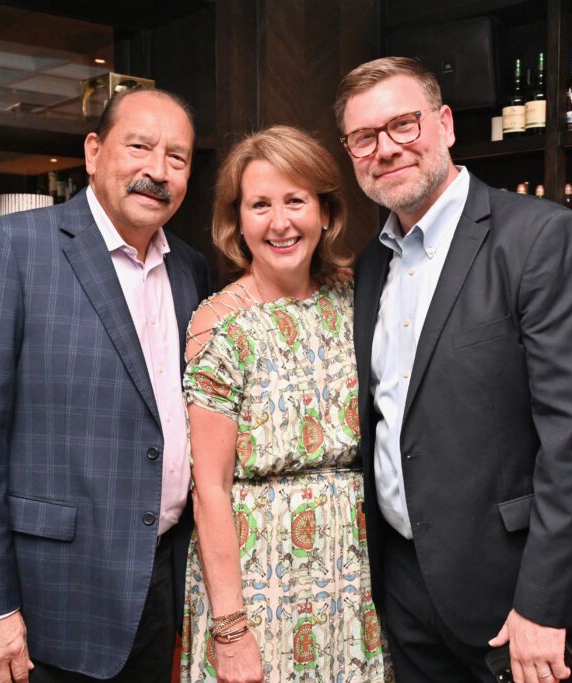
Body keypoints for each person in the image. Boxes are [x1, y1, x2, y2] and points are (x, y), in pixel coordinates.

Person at [333, 57, 572, 683]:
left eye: (403, 125)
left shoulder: (542, 239)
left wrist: (544, 606)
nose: (386, 149)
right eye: (365, 138)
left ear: (444, 124)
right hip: (407, 589)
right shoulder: (370, 268)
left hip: (516, 594)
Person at [0, 88, 211, 683]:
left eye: (177, 158)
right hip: (48, 600)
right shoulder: (6, 249)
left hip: (161, 581)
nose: (157, 171)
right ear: (93, 151)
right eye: (140, 147)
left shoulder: (190, 267)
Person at [180, 125, 388, 682]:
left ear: (325, 211)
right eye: (260, 205)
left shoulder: (358, 297)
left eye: (295, 201)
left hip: (355, 575)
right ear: (237, 220)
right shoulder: (217, 326)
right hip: (258, 582)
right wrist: (230, 628)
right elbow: (211, 489)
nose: (279, 222)